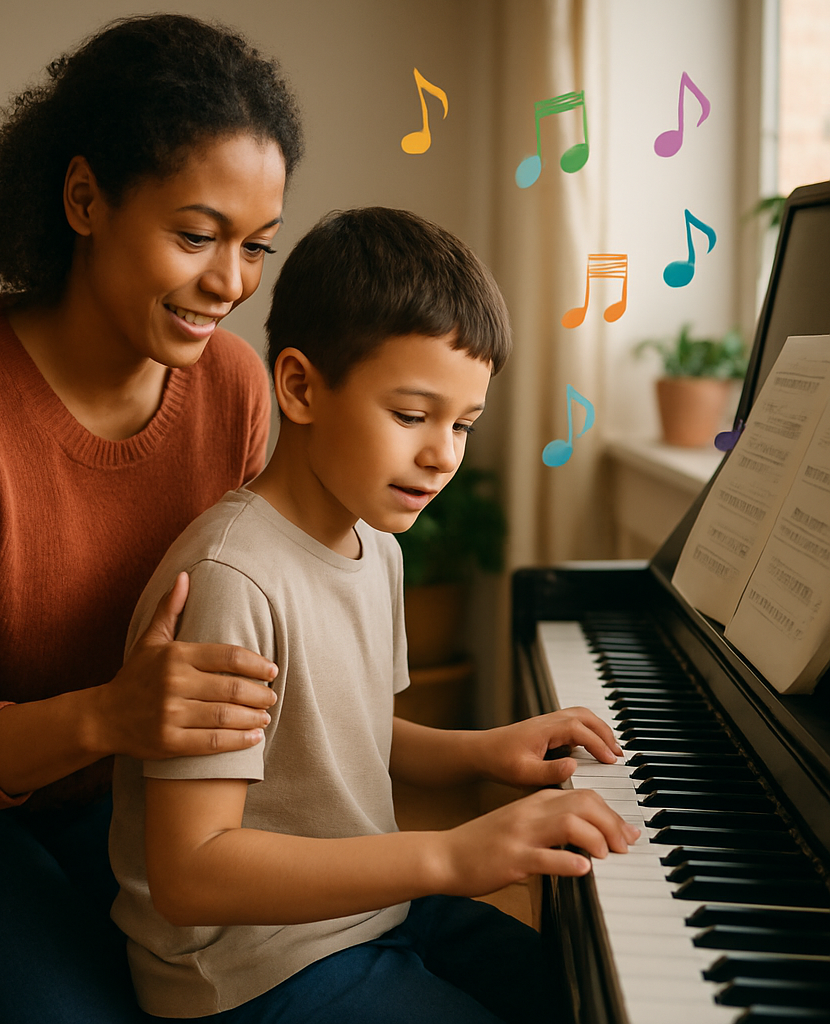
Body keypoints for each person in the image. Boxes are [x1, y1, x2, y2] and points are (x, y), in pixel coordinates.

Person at [0, 14, 304, 1024]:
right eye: (196, 235)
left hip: (104, 794)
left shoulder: (235, 388)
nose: (230, 284)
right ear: (84, 197)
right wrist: (114, 714)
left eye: (256, 246)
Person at [110, 207, 640, 1024]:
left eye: (463, 425)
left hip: (368, 915)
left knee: (586, 999)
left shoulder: (377, 547)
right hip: (251, 969)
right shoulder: (233, 581)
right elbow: (191, 872)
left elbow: (339, 735)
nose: (443, 455)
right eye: (411, 416)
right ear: (300, 386)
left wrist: (482, 753)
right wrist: (449, 854)